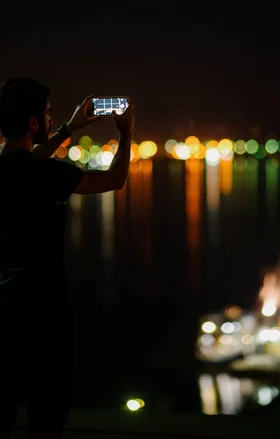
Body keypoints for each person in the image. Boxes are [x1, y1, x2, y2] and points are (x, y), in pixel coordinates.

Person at [0, 78, 134, 438]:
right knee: (46, 414)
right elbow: (115, 178)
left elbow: (24, 162)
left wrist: (70, 128)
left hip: (3, 312)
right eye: (46, 114)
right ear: (32, 123)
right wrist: (126, 133)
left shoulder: (7, 168)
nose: (49, 119)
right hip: (44, 314)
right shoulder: (47, 174)